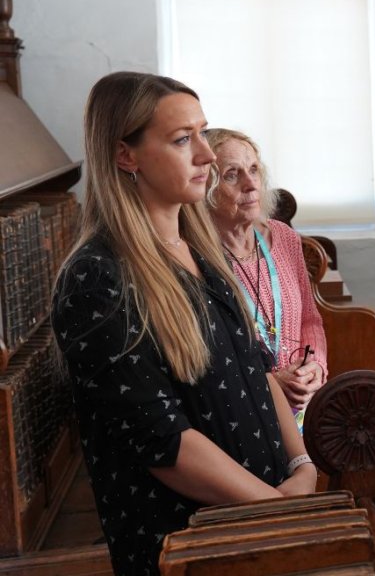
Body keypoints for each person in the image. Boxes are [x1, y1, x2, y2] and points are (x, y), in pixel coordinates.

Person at [52, 72, 317, 575]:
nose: (207, 155)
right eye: (181, 139)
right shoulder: (97, 276)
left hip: (265, 518)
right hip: (191, 543)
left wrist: (300, 465)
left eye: (202, 132)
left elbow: (258, 372)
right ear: (125, 156)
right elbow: (163, 439)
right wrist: (279, 509)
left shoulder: (201, 251)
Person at [205, 128, 328, 430]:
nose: (251, 185)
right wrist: (271, 382)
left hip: (302, 411)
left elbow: (310, 320)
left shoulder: (283, 238)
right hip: (243, 416)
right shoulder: (199, 259)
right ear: (203, 188)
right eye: (232, 175)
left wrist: (315, 367)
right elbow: (208, 362)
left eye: (254, 170)